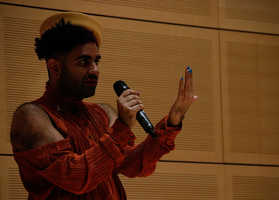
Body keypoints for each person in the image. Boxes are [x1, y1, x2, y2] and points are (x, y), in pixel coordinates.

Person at [10, 12, 197, 199]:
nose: (95, 70)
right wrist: (121, 127)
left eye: (96, 61)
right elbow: (77, 177)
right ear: (55, 68)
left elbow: (133, 165)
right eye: (84, 62)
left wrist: (175, 117)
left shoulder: (102, 113)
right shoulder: (32, 116)